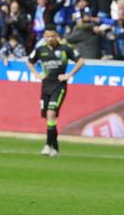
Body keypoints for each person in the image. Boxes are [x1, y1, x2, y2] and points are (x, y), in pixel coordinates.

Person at [26, 24, 85, 157]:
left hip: (59, 86)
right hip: (45, 86)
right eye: (47, 36)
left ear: (57, 36)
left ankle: (47, 145)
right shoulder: (40, 50)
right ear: (44, 37)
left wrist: (69, 75)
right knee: (49, 117)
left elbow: (80, 61)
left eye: (52, 36)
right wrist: (37, 74)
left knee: (51, 113)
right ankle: (56, 148)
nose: (50, 38)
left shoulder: (65, 49)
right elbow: (29, 62)